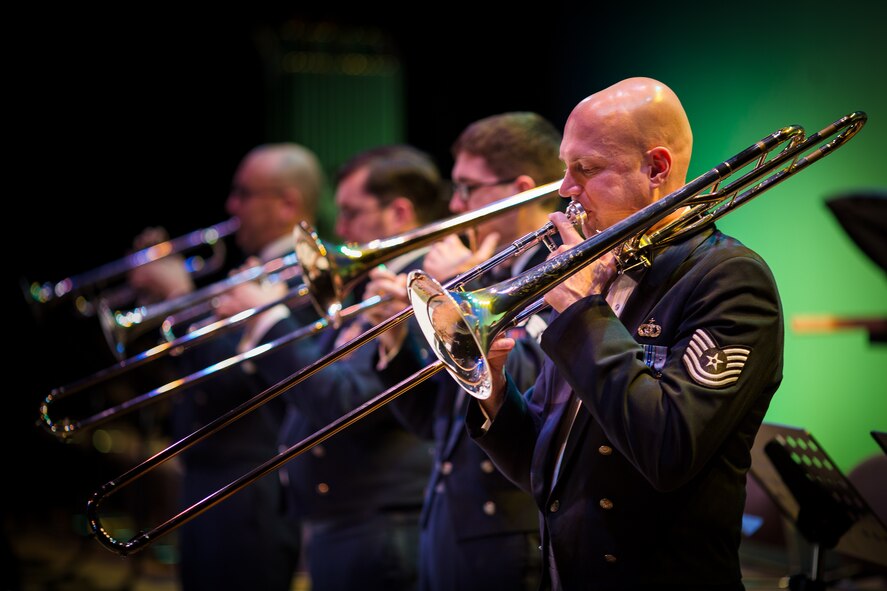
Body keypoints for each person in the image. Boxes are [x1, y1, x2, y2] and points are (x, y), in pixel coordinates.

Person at [461, 77, 785, 590]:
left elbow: (669, 450)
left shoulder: (729, 278)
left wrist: (581, 314)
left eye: (585, 169)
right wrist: (495, 392)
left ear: (656, 167)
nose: (565, 189)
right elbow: (545, 473)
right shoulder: (603, 272)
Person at [221, 144, 450, 591]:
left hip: (380, 526)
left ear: (398, 213)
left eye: (350, 212)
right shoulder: (369, 288)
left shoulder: (425, 289)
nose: (339, 228)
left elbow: (350, 400)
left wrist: (270, 322)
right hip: (341, 522)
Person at [362, 112, 565, 591]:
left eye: (468, 188)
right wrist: (397, 345)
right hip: (449, 521)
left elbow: (533, 382)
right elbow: (435, 418)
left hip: (506, 530)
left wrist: (475, 283)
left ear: (519, 188)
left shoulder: (559, 269)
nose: (455, 204)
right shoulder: (490, 270)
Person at [126, 141, 325, 591]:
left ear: (287, 202)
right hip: (206, 474)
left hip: (250, 487)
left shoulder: (309, 275)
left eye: (244, 193)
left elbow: (243, 376)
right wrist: (164, 308)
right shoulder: (251, 268)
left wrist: (180, 297)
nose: (231, 205)